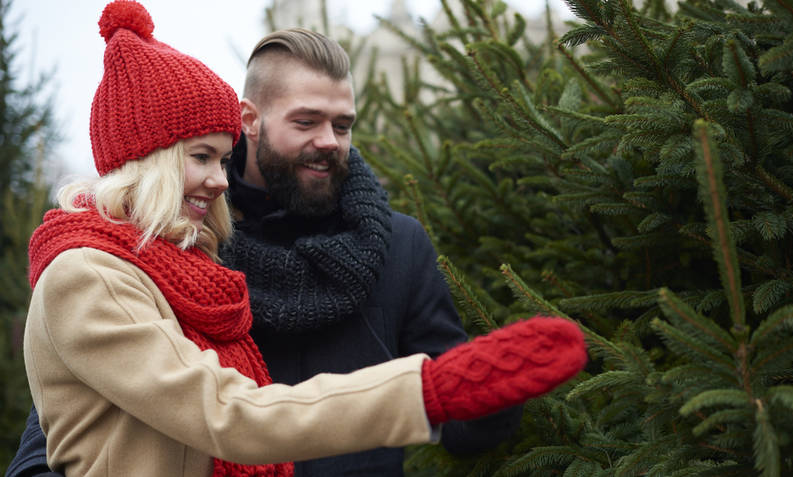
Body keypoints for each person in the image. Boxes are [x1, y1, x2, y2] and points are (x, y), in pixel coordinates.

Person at [6, 6, 588, 477]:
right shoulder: (185, 253)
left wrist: (490, 391)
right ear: (250, 120)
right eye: (307, 122)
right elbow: (82, 413)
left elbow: (464, 412)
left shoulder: (397, 245)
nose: (331, 142)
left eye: (343, 125)